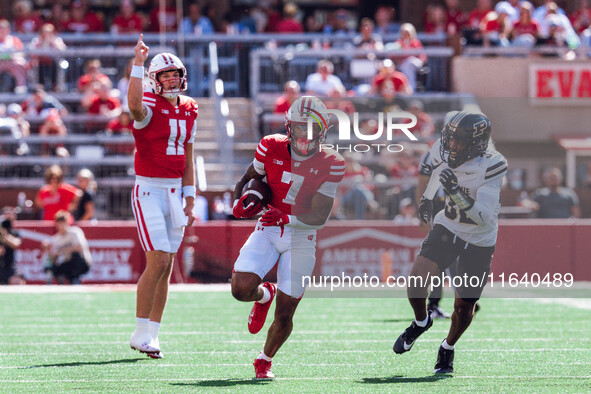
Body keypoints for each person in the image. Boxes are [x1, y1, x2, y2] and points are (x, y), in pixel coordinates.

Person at [231, 96, 345, 379]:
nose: (304, 135)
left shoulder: (332, 161)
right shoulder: (270, 145)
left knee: (285, 313)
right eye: (298, 127)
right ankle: (263, 294)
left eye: (310, 128)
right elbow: (247, 179)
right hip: (269, 228)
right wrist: (238, 203)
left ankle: (264, 360)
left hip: (302, 235)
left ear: (322, 129)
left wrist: (288, 218)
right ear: (288, 127)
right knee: (240, 289)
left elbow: (320, 216)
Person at [393, 111, 507, 374]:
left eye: (459, 141)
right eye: (450, 139)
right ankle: (421, 322)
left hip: (479, 237)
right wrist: (427, 202)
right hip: (448, 226)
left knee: (464, 307)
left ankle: (447, 347)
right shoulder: (440, 150)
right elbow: (430, 176)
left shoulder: (492, 164)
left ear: (477, 143)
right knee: (417, 278)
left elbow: (482, 216)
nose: (452, 146)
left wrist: (455, 191)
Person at [128, 35, 197, 359]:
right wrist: (138, 64)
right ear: (155, 80)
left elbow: (189, 153)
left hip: (174, 192)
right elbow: (133, 106)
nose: (171, 79)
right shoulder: (149, 105)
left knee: (167, 265)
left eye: (174, 74)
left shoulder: (190, 108)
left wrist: (190, 196)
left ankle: (152, 334)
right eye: (164, 75)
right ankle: (139, 332)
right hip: (149, 190)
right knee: (157, 260)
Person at [42, 210, 92, 284]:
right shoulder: (56, 239)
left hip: (82, 263)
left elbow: (80, 247)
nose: (61, 225)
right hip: (66, 263)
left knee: (75, 255)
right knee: (51, 265)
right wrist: (47, 249)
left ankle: (75, 278)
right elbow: (54, 257)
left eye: (63, 222)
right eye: (59, 223)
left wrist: (63, 250)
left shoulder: (75, 232)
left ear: (67, 222)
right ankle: (60, 281)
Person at [0, 19, 28, 94]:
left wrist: (10, 56)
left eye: (4, 29)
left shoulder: (14, 40)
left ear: (8, 30)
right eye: (0, 29)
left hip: (12, 62)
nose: (2, 31)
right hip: (0, 63)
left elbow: (21, 52)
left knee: (20, 64)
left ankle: (20, 87)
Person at [0, 207, 25, 285]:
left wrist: (4, 235)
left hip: (9, 267)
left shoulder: (14, 233)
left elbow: (16, 244)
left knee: (17, 280)